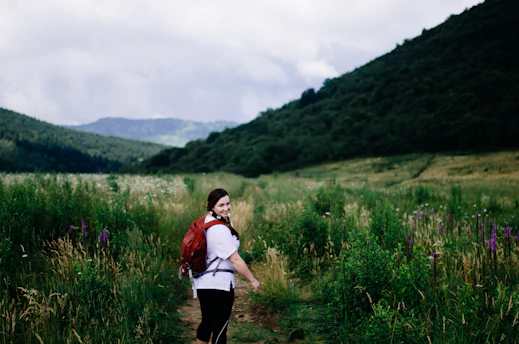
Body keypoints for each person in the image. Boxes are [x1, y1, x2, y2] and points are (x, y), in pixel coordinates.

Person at [194, 188, 260, 344]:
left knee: (207, 322)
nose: (226, 208)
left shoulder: (207, 221)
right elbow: (235, 260)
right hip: (220, 285)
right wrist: (252, 279)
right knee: (220, 328)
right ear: (211, 207)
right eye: (221, 205)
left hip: (204, 282)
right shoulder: (220, 229)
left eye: (228, 203)